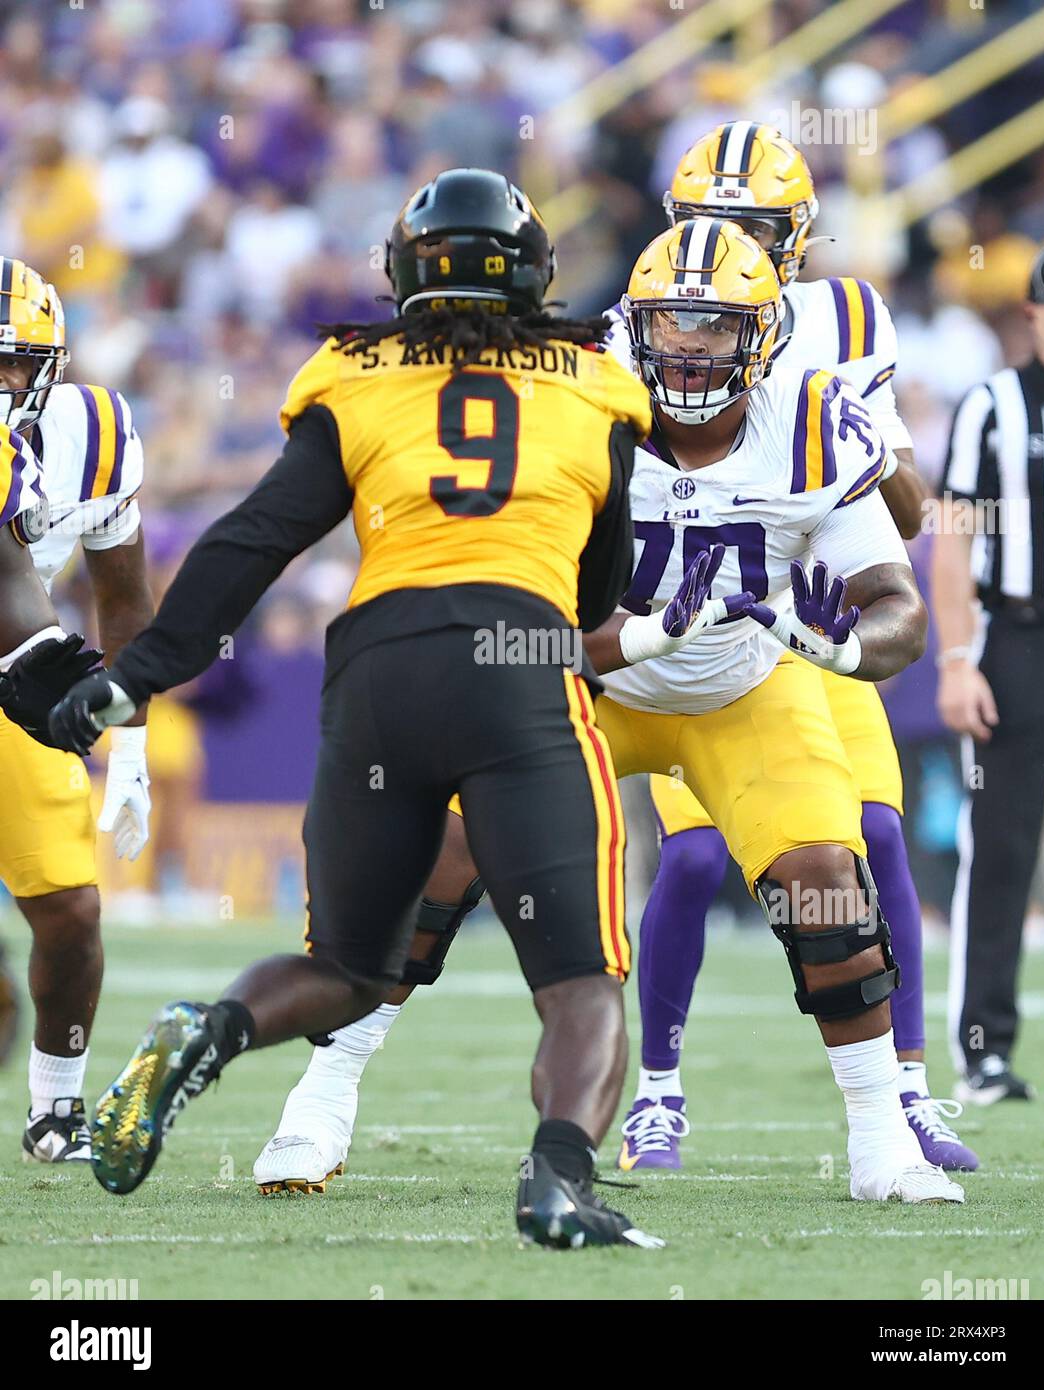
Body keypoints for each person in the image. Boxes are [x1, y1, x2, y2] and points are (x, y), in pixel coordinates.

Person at [43, 170, 734, 1248]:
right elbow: (597, 595)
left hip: (378, 669)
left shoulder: (354, 374)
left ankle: (209, 1028)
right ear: (534, 274)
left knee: (345, 969)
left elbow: (257, 534)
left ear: (403, 273)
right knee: (581, 980)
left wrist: (143, 671)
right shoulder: (597, 383)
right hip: (520, 661)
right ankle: (557, 1178)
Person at [243, 217, 965, 1207]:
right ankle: (320, 1099)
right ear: (637, 324)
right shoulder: (578, 405)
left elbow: (900, 605)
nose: (689, 346)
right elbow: (512, 598)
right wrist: (630, 636)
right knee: (438, 862)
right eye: (672, 323)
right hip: (588, 680)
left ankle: (883, 1138)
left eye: (715, 326)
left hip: (746, 684)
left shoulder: (815, 425)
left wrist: (839, 645)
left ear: (764, 336)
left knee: (824, 887)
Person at [606, 122, 974, 1174]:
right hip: (683, 625)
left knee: (876, 839)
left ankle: (904, 1090)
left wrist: (864, 432)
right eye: (709, 225)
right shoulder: (638, 325)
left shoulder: (847, 317)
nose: (730, 245)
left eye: (754, 228)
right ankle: (658, 1093)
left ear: (796, 235)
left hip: (808, 615)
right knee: (688, 854)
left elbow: (901, 519)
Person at [0, 258, 153, 1163]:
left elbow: (124, 599)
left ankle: (56, 1108)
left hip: (15, 673)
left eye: (15, 361)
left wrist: (131, 747)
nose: (1, 380)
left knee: (71, 912)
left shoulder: (92, 431)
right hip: (21, 656)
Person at [933, 242, 1044, 1104]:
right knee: (1003, 848)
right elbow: (952, 541)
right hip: (1019, 638)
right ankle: (985, 1049)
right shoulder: (993, 407)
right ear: (1034, 315)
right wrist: (954, 658)